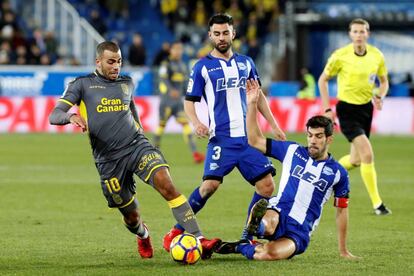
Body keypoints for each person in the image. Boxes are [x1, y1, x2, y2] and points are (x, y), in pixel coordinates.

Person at [48, 41, 221, 259]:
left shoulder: (127, 83)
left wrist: (142, 137)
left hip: (136, 146)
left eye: (119, 61)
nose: (116, 66)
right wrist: (71, 116)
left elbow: (133, 113)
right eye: (111, 62)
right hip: (108, 160)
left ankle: (198, 238)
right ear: (98, 61)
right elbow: (54, 115)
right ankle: (143, 234)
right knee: (131, 216)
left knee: (167, 185)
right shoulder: (81, 84)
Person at [162, 13, 286, 251]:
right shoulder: (202, 67)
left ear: (233, 34)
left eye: (225, 33)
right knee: (209, 187)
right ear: (210, 35)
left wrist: (274, 124)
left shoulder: (246, 63)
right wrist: (197, 122)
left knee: (267, 187)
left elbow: (258, 95)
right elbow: (189, 101)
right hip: (222, 140)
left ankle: (247, 235)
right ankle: (176, 231)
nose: (221, 37)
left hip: (250, 139)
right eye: (216, 33)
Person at [216, 79, 359, 260]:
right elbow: (255, 141)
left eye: (319, 136)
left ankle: (242, 246)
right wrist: (252, 104)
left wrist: (343, 250)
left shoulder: (339, 173)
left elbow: (341, 211)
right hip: (278, 211)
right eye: (309, 135)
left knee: (268, 254)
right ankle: (257, 225)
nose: (312, 140)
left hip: (299, 230)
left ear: (329, 139)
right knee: (268, 224)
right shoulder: (292, 150)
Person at [318, 18, 391, 215]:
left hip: (366, 109)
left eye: (362, 31)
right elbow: (323, 80)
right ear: (350, 34)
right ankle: (378, 205)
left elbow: (384, 82)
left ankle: (323, 173)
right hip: (347, 110)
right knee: (367, 154)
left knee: (357, 159)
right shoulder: (340, 56)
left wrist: (379, 95)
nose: (359, 35)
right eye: (355, 32)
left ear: (368, 34)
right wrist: (327, 109)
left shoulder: (377, 56)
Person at [153, 41, 205, 163]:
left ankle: (195, 154)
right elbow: (163, 80)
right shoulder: (166, 64)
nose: (178, 52)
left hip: (178, 103)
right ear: (171, 50)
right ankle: (154, 152)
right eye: (176, 49)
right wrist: (171, 90)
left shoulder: (182, 65)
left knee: (186, 125)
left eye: (180, 49)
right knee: (161, 125)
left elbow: (186, 83)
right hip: (167, 101)